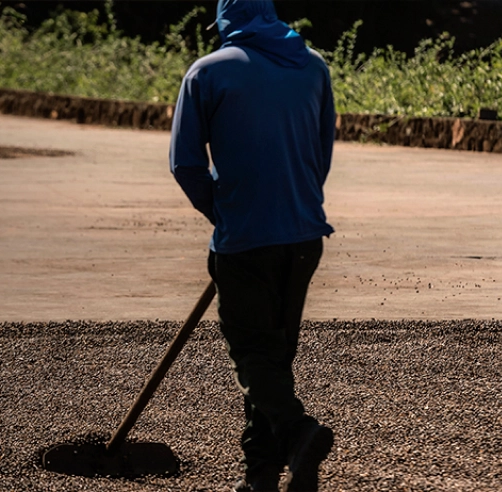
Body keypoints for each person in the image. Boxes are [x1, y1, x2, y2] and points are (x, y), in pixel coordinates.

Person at [169, 1, 335, 490]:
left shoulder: (206, 73)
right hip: (305, 235)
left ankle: (300, 433)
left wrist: (225, 214)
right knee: (273, 358)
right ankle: (260, 477)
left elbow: (185, 165)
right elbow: (320, 155)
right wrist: (293, 205)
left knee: (254, 354)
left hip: (246, 241)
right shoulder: (313, 65)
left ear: (225, 21)